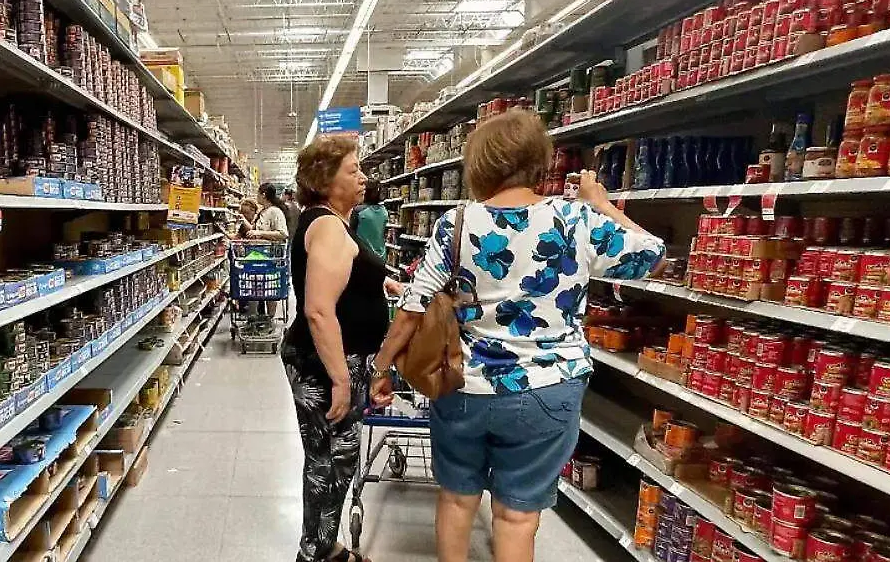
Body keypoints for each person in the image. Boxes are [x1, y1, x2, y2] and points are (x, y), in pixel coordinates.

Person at [369, 111, 665, 562]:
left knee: (455, 499)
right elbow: (653, 256)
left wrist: (382, 367)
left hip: (466, 386)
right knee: (516, 517)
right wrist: (601, 204)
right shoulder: (577, 218)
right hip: (550, 388)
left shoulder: (458, 223)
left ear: (480, 163)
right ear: (538, 161)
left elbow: (413, 307)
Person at [284, 135, 403, 562]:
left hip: (332, 359)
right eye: (352, 170)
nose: (363, 177)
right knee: (330, 461)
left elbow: (345, 275)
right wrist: (338, 378)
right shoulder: (329, 225)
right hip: (325, 363)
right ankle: (315, 554)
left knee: (335, 457)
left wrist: (381, 282)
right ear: (324, 179)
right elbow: (318, 309)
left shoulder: (333, 222)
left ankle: (322, 546)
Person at [351, 179, 389, 259]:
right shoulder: (384, 211)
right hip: (381, 255)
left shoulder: (359, 211)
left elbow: (351, 234)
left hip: (363, 256)